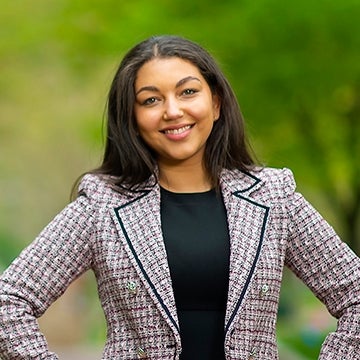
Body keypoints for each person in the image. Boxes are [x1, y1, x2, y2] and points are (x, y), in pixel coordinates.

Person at [0, 35, 359, 360]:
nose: (173, 111)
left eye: (188, 92)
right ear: (132, 118)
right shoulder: (102, 206)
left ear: (216, 104)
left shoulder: (274, 197)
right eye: (151, 99)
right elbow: (8, 302)